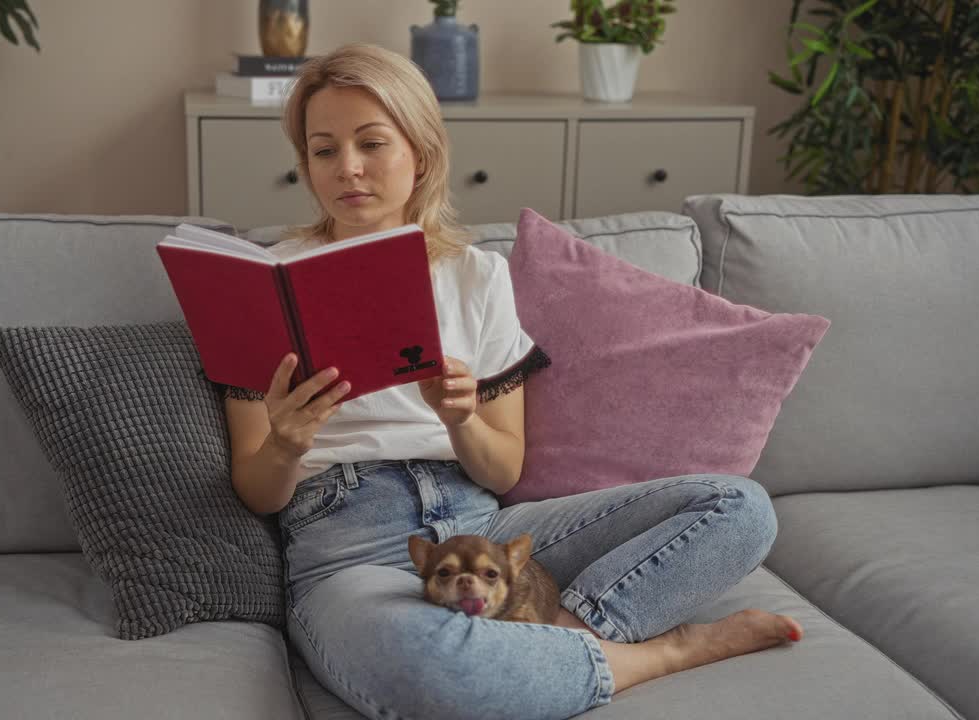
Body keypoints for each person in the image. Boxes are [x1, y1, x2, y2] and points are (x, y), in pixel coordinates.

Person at [221, 41, 804, 720]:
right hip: (348, 544)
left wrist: (461, 418)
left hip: (485, 527)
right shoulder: (265, 284)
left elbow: (501, 470)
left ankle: (565, 640)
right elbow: (257, 492)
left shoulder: (477, 276)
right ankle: (660, 655)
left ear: (421, 151)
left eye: (371, 143)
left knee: (740, 507)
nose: (347, 168)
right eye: (324, 150)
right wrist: (288, 443)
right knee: (424, 669)